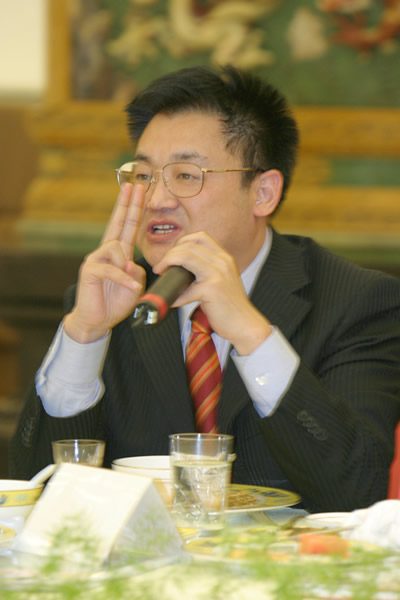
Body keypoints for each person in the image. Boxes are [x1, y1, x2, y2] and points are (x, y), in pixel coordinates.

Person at [9, 65, 400, 513]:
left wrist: (253, 337)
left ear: (263, 193)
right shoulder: (114, 300)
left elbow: (360, 490)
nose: (157, 199)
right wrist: (84, 336)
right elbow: (35, 495)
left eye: (186, 175)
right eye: (144, 175)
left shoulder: (357, 302)